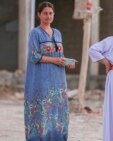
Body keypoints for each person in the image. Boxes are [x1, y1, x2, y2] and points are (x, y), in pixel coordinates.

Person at [24, 1, 75, 141]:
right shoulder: (35, 33)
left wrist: (67, 62)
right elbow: (33, 56)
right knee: (42, 111)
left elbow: (59, 56)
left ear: (54, 15)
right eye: (45, 13)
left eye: (50, 13)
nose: (48, 16)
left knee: (58, 111)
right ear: (39, 15)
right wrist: (55, 61)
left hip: (58, 80)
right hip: (41, 79)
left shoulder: (57, 33)